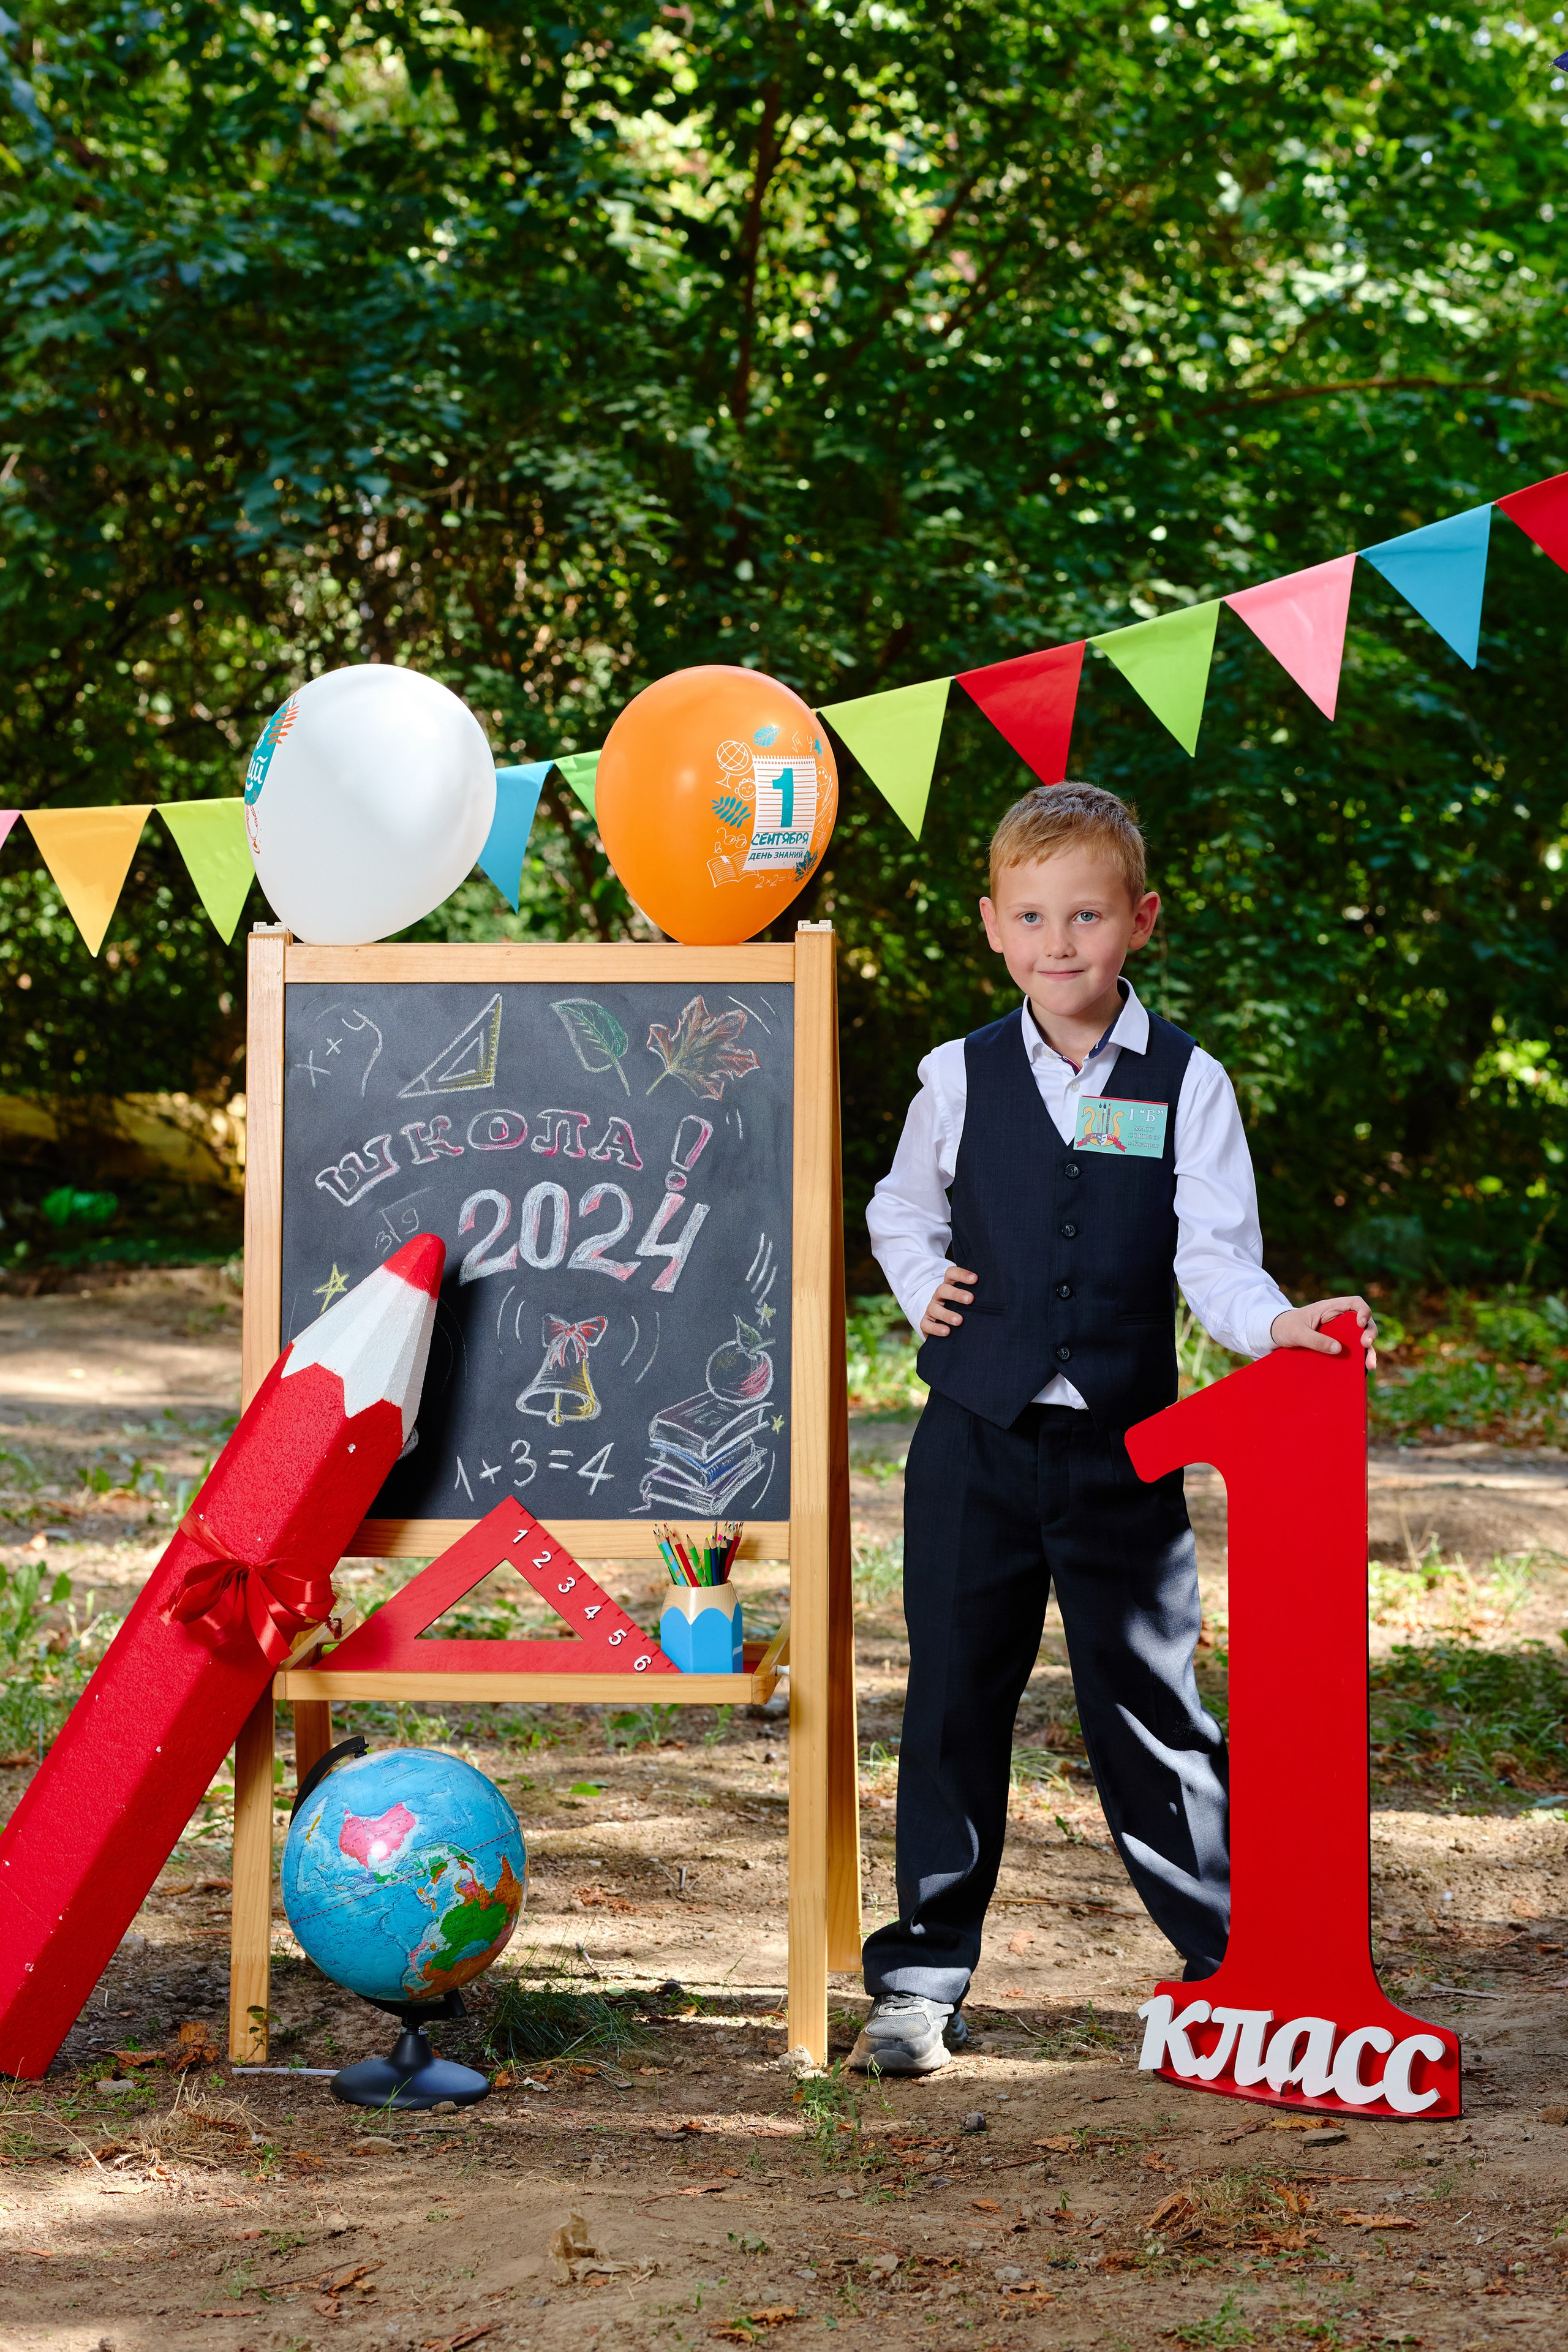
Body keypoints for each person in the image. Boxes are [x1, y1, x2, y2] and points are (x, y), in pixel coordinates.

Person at [851, 782, 1376, 2076]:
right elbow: (896, 1211)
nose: (1059, 941)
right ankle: (921, 1974)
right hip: (971, 1444)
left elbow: (1217, 1258)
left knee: (1150, 1708)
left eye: (1085, 914)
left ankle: (1233, 1970)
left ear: (1137, 919)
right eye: (1030, 916)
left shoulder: (1185, 1082)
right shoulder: (955, 1075)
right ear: (990, 924)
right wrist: (922, 1285)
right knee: (954, 1702)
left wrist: (1272, 1328)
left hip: (1124, 1456)